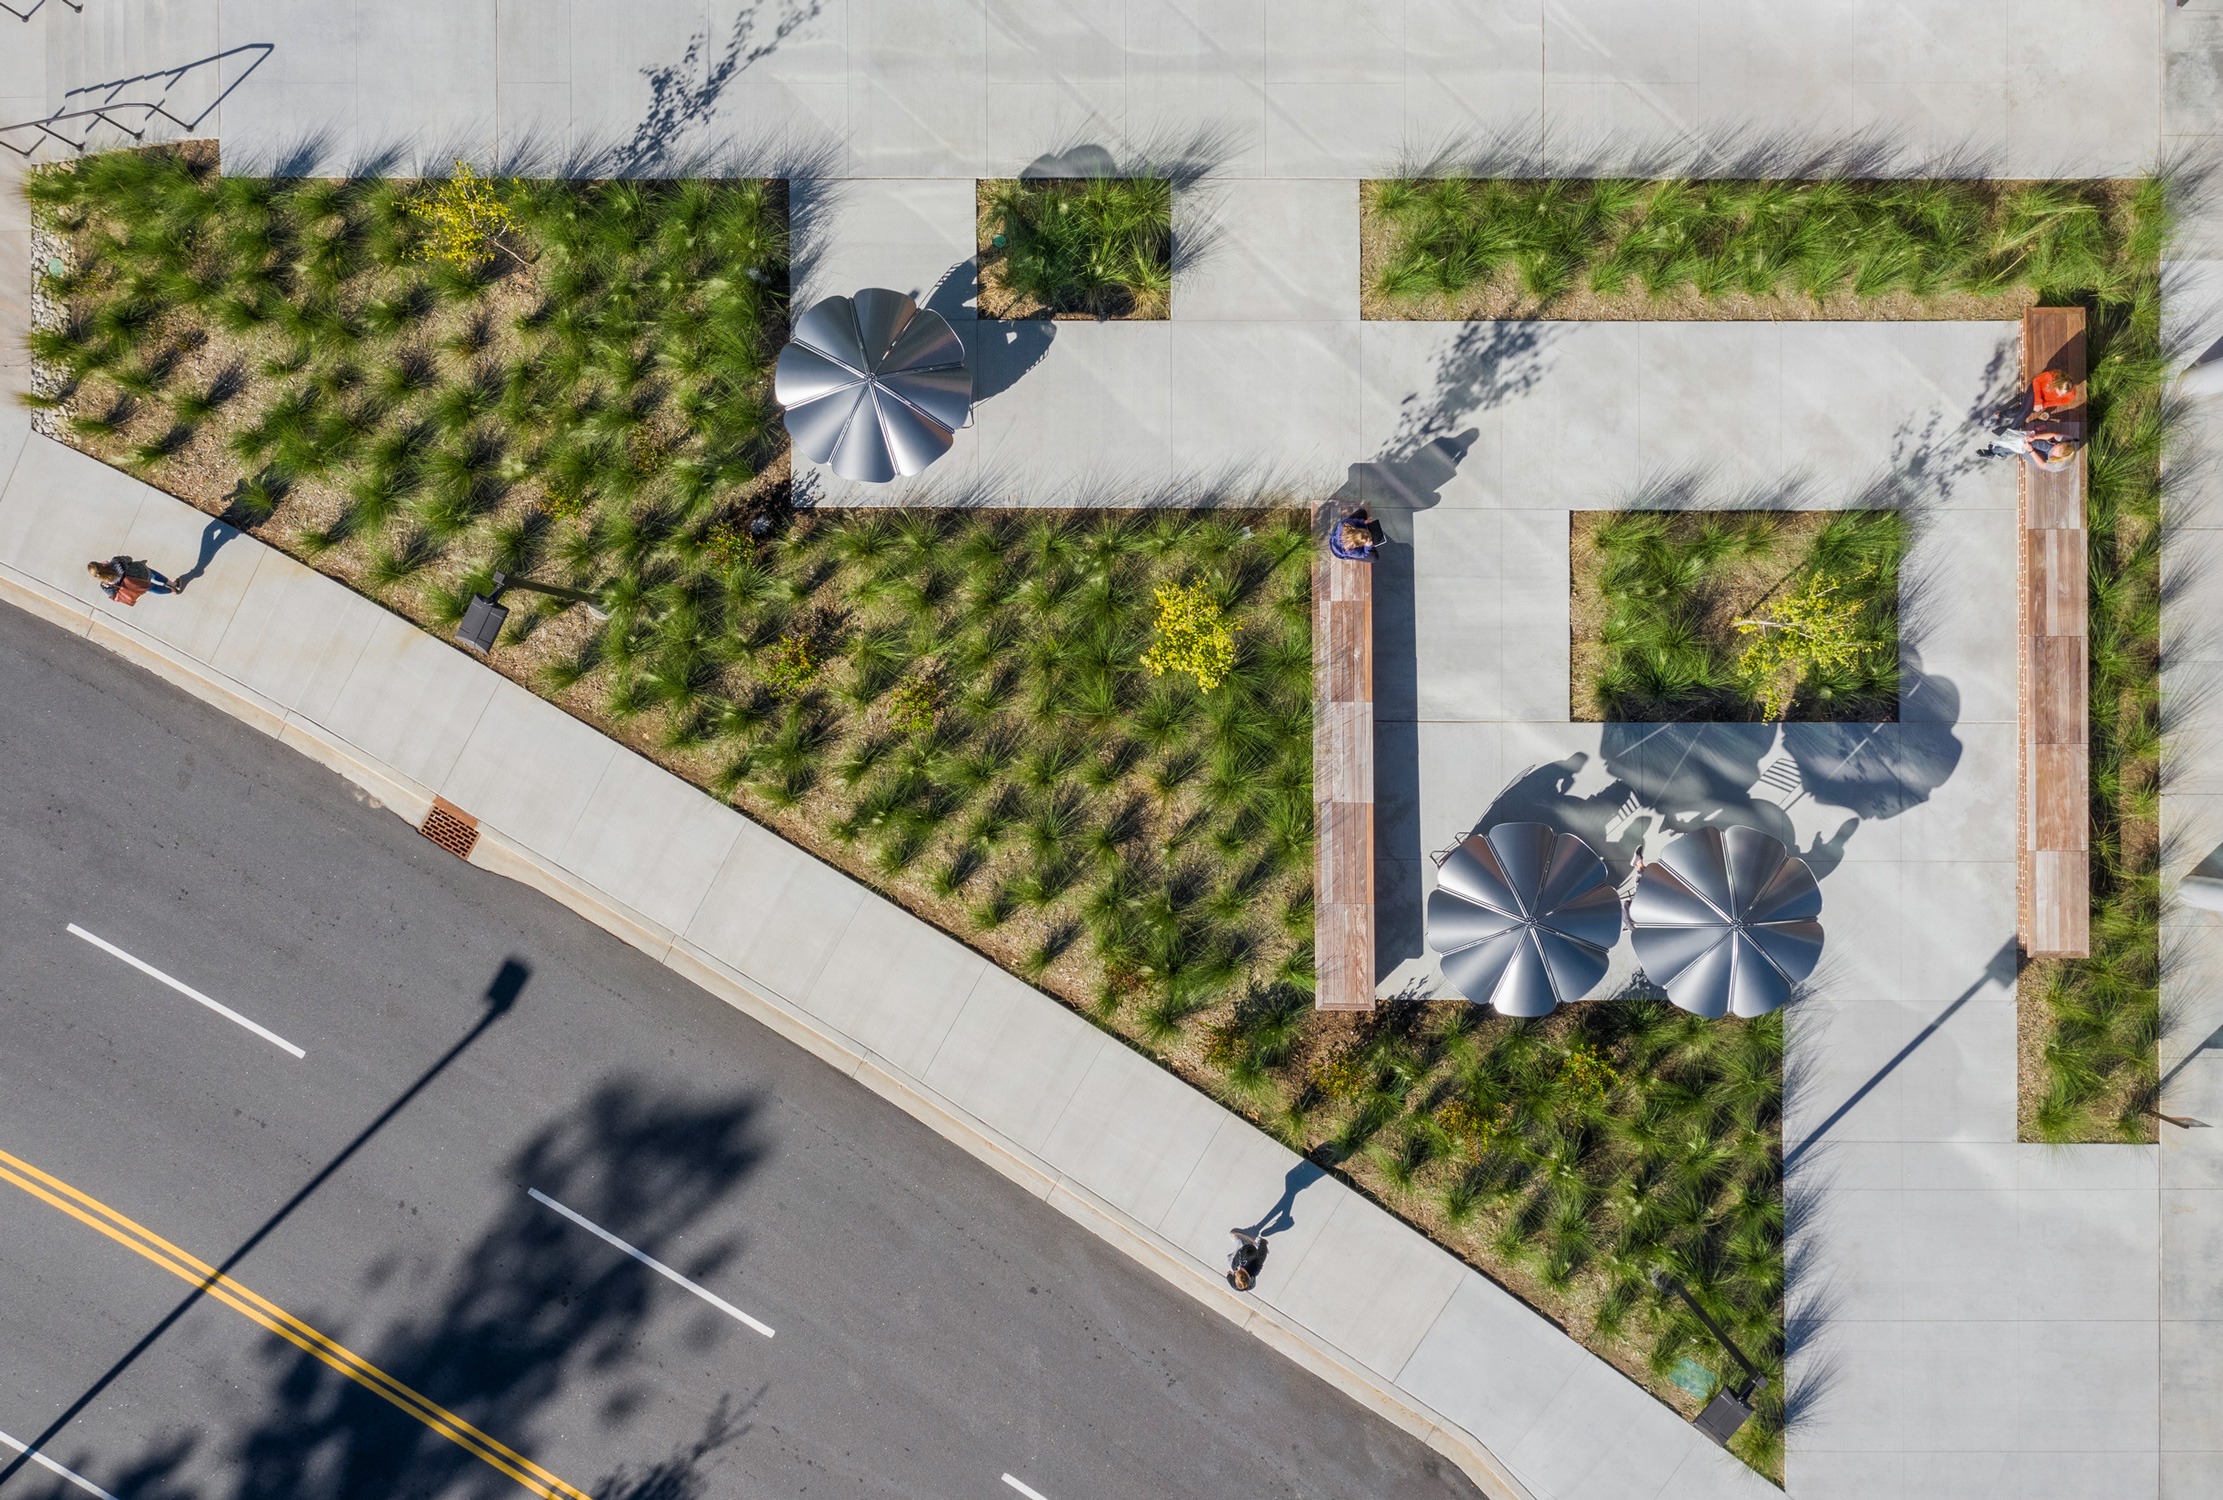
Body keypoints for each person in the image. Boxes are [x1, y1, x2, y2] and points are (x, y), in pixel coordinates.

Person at [87, 556, 177, 605]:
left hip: (139, 585)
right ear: (101, 564)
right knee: (151, 573)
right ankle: (172, 583)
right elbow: (129, 558)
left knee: (153, 588)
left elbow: (114, 594)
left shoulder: (105, 585)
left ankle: (172, 591)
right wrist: (109, 564)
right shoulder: (116, 562)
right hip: (143, 571)